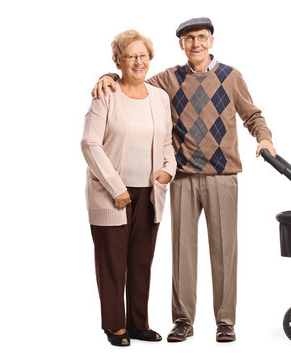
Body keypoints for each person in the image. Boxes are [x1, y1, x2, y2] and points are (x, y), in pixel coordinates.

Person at [91, 17, 276, 342]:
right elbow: (133, 78)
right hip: (183, 177)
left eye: (202, 37)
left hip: (222, 176)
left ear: (211, 41)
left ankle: (225, 321)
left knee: (224, 251)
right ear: (181, 44)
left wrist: (265, 139)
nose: (196, 44)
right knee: (182, 252)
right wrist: (106, 76)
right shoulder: (169, 79)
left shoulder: (231, 77)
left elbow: (252, 114)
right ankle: (183, 321)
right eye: (189, 39)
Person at [81, 30, 177, 346]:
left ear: (150, 59)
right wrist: (115, 186)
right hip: (112, 194)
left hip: (150, 192)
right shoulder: (105, 94)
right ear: (118, 61)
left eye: (143, 55)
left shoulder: (160, 97)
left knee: (140, 261)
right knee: (112, 262)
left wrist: (168, 170)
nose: (138, 62)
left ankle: (138, 323)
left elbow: (167, 142)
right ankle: (114, 325)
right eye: (131, 56)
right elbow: (90, 143)